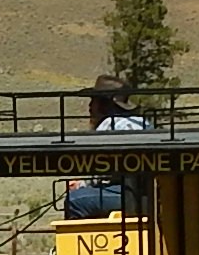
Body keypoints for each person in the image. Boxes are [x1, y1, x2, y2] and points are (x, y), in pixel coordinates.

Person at [63, 73, 153, 219]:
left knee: (75, 200)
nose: (90, 107)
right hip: (149, 191)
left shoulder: (109, 125)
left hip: (128, 191)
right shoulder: (142, 122)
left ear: (105, 105)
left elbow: (102, 170)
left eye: (94, 101)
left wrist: (80, 185)